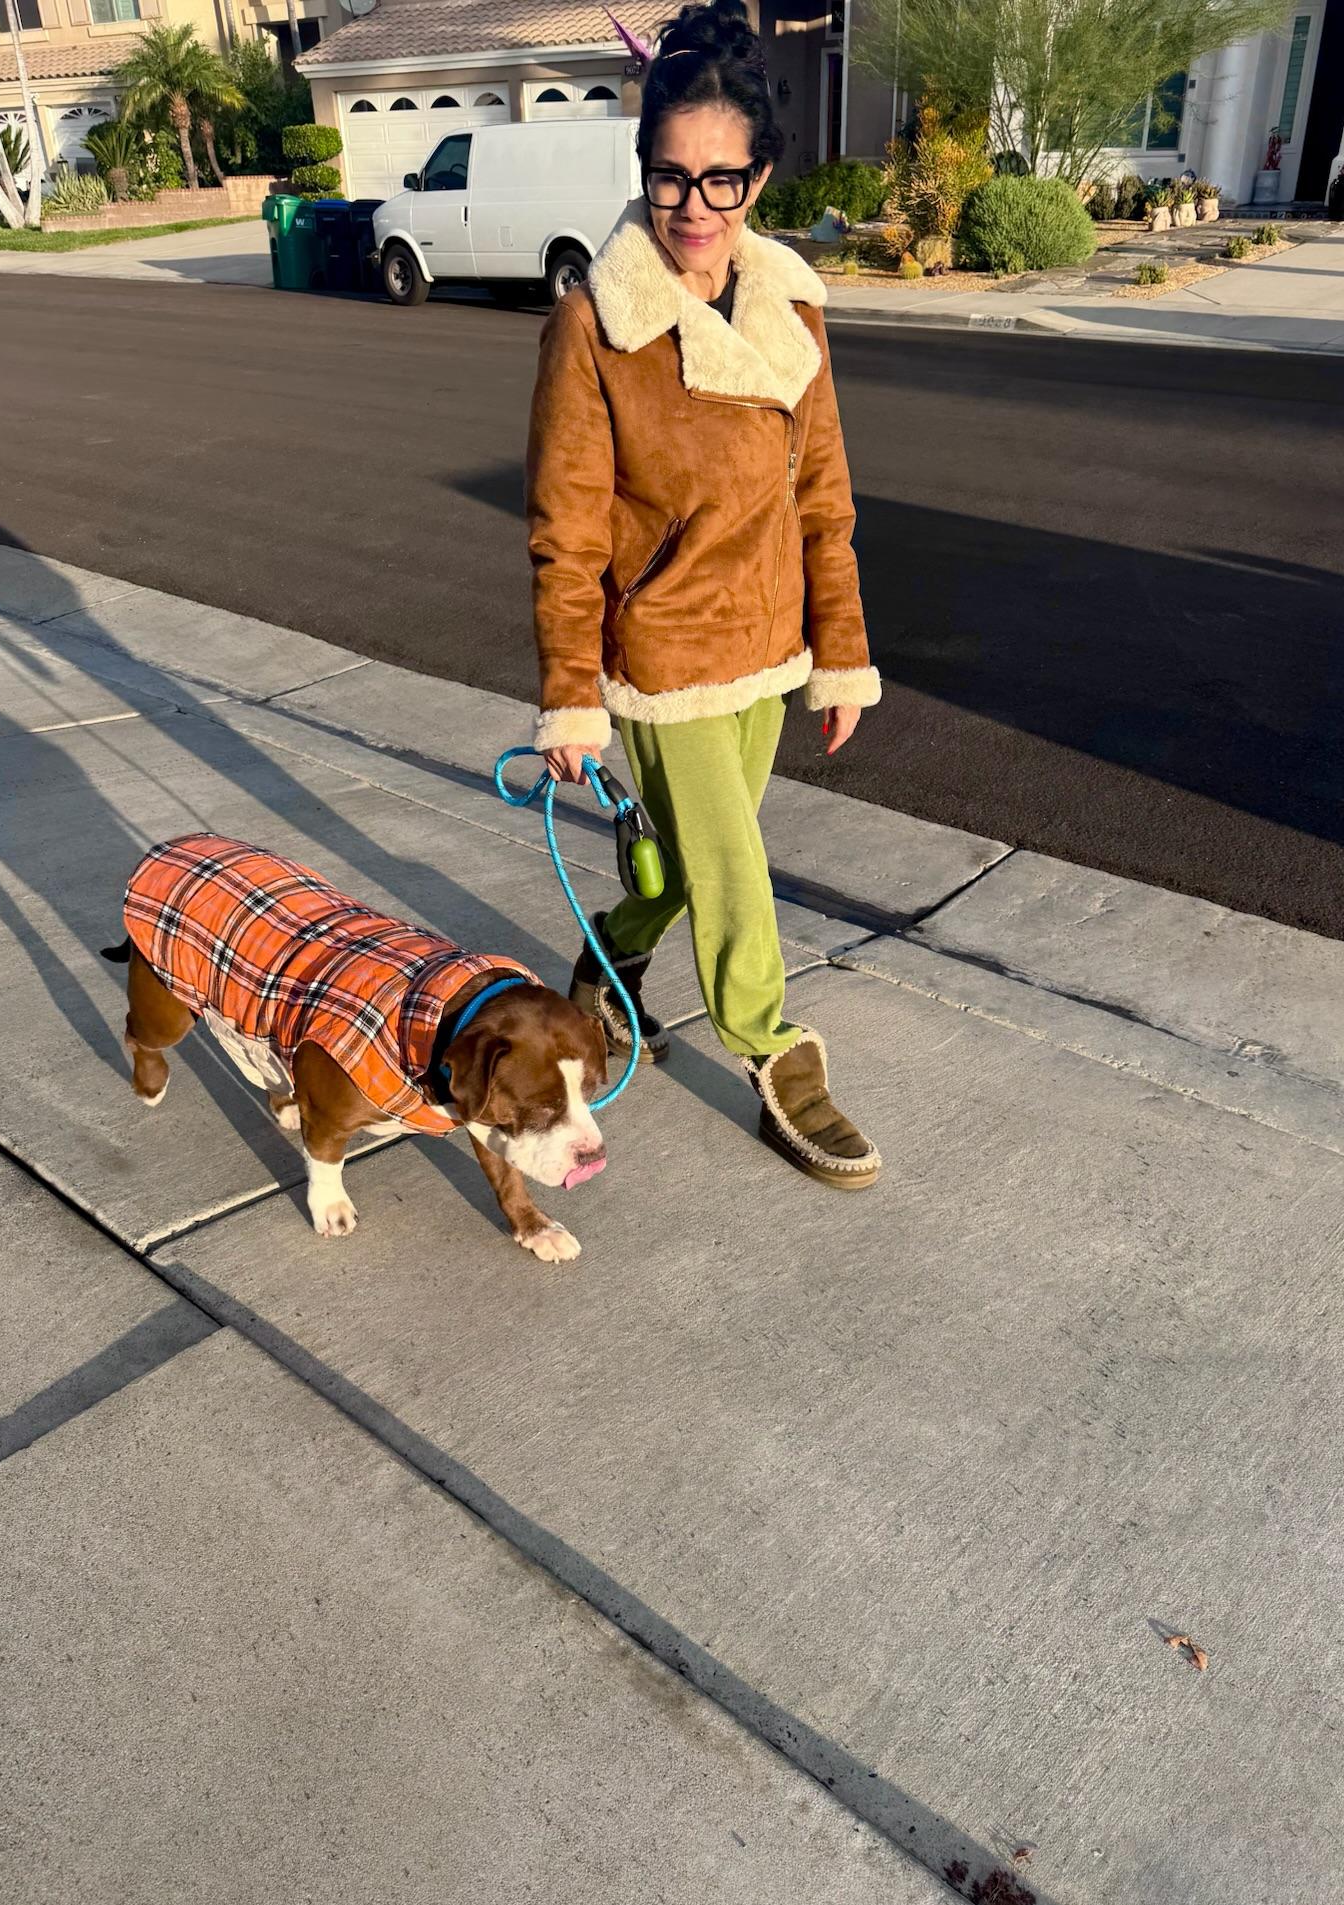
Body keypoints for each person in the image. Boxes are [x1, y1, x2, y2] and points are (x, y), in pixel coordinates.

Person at [525, 0, 882, 1189]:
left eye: (721, 180)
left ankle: (611, 960)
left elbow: (823, 499)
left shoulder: (795, 312)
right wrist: (573, 692)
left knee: (684, 871)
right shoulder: (595, 325)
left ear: (760, 176)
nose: (692, 208)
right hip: (664, 654)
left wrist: (840, 652)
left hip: (769, 649)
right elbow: (567, 530)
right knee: (735, 876)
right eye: (668, 177)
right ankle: (775, 1052)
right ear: (644, 172)